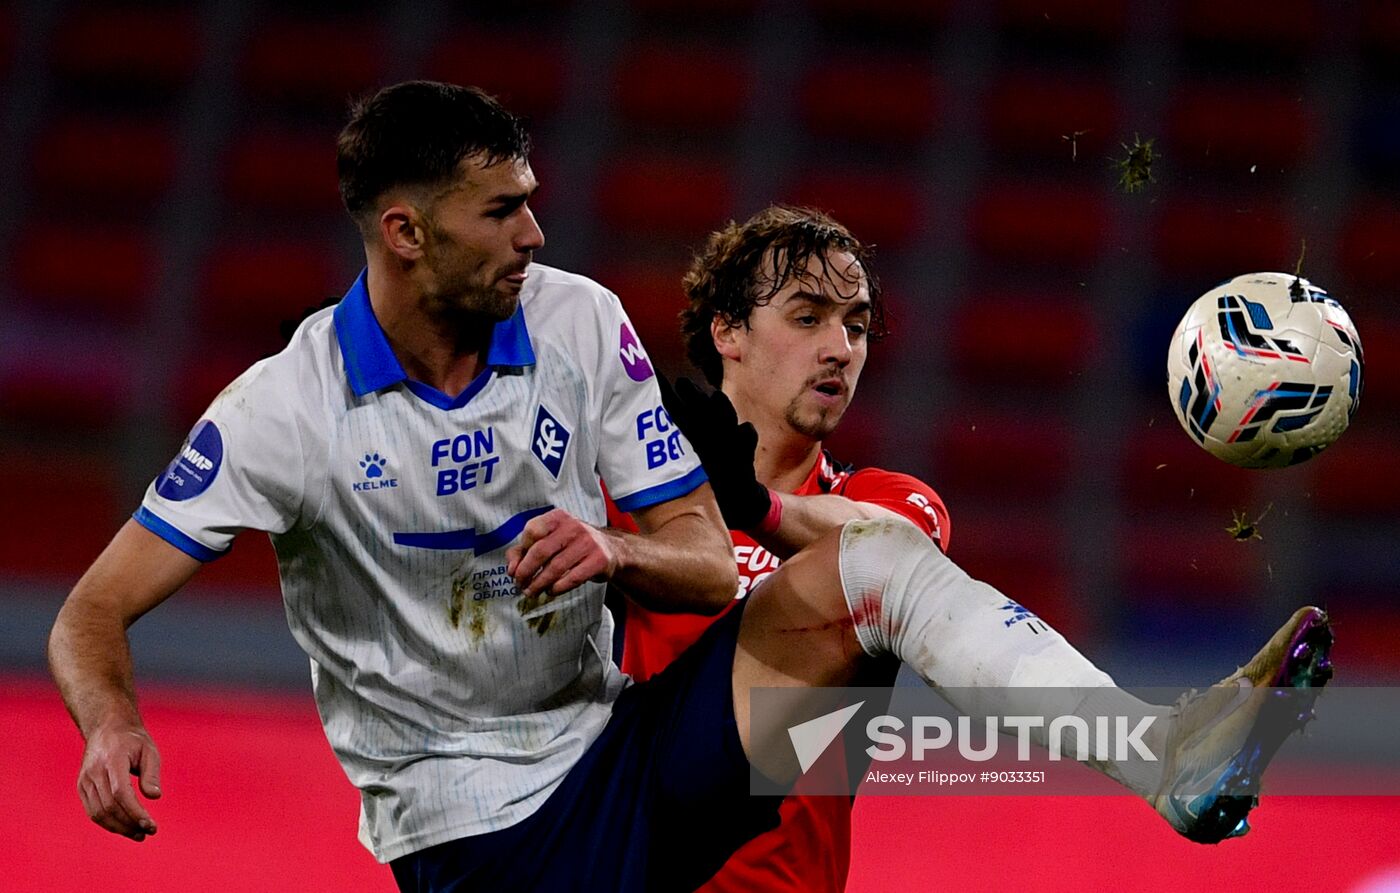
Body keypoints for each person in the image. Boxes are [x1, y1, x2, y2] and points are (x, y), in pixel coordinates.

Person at [51, 82, 1333, 893]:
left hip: (635, 773)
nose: (536, 234)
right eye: (502, 211)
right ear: (404, 230)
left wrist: (615, 552)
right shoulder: (283, 412)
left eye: (860, 321)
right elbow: (90, 615)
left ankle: (1161, 752)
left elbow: (714, 560)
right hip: (478, 838)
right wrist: (110, 723)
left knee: (881, 569)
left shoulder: (578, 324)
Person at [611, 205, 952, 892]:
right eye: (808, 317)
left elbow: (891, 549)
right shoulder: (626, 495)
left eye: (855, 326)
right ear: (728, 330)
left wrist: (758, 508)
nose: (841, 348)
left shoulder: (891, 500)